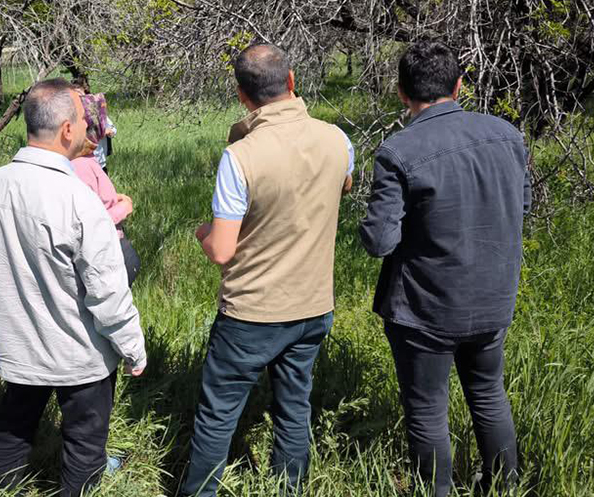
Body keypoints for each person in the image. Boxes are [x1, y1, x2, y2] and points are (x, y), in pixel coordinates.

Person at [0, 77, 147, 497]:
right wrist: (134, 347)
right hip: (81, 355)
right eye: (82, 119)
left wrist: (16, 292)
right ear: (67, 129)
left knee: (12, 431)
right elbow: (108, 295)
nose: (87, 128)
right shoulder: (79, 199)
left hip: (19, 346)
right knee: (84, 442)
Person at [182, 44, 354, 497]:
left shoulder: (240, 156)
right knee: (294, 407)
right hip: (313, 305)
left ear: (242, 96)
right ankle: (289, 486)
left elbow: (221, 251)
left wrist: (202, 231)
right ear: (292, 81)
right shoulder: (338, 140)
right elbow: (345, 183)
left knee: (218, 415)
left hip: (251, 314)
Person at [359, 41, 529, 496]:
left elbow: (379, 242)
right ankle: (504, 488)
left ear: (401, 93)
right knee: (489, 395)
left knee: (427, 410)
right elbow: (520, 207)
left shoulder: (397, 151)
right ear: (459, 86)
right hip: (493, 299)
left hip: (426, 307)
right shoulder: (509, 136)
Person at [71, 98, 140, 287]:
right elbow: (88, 222)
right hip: (104, 252)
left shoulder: (86, 159)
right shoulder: (81, 165)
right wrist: (123, 208)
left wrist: (112, 199)